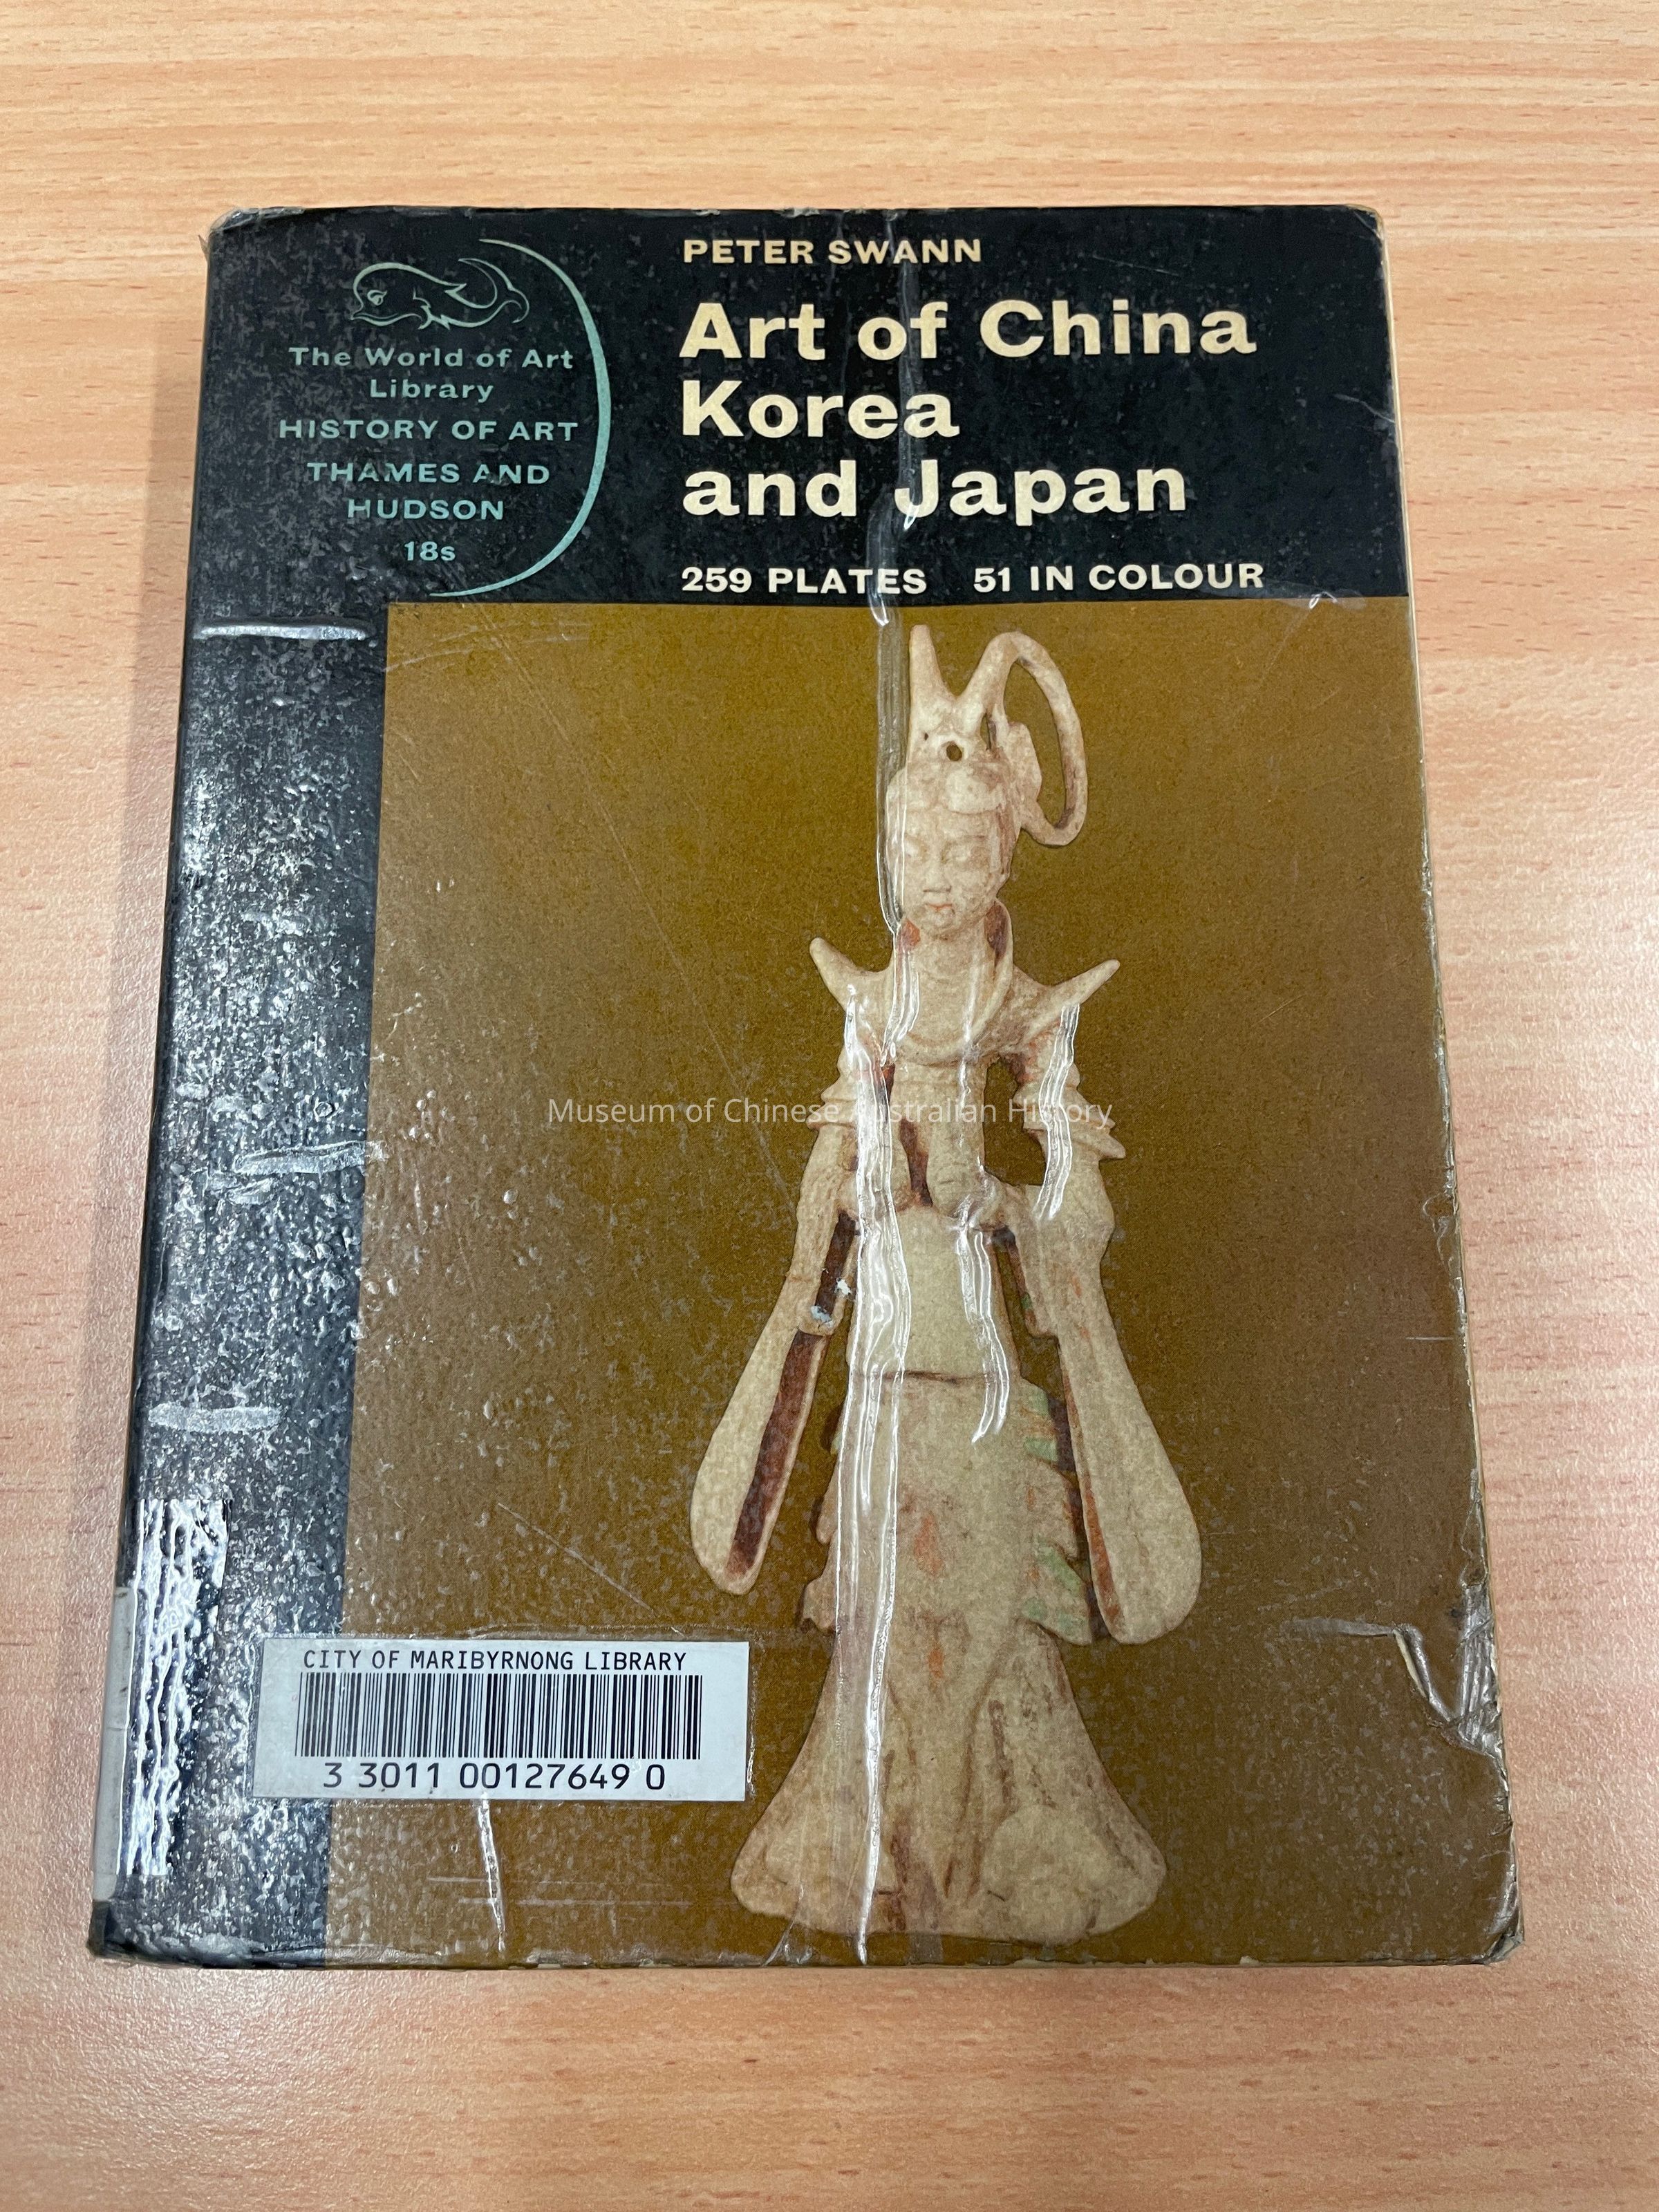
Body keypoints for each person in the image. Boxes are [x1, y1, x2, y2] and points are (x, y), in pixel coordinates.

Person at [691, 624, 1200, 1947]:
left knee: (988, 1613)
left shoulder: (1033, 1016)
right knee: (879, 1615)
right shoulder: (867, 1010)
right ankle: (872, 1839)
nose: (936, 872)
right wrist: (844, 1197)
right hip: (881, 1363)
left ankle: (1017, 1835)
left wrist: (1007, 1204)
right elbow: (820, 1188)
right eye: (916, 848)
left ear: (1003, 858)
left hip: (980, 1371)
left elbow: (1081, 1204)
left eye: (963, 851)